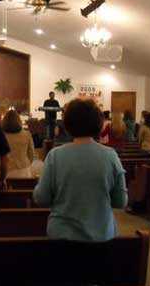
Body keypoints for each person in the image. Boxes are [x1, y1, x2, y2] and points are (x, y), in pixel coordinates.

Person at [33, 99, 127, 242]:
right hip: (102, 238)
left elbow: (41, 199)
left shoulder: (55, 156)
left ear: (68, 124)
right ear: (98, 123)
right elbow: (120, 202)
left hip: (62, 237)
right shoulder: (110, 155)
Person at [2, 109, 35, 178]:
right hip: (23, 171)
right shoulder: (26, 134)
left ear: (4, 121)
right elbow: (31, 154)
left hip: (4, 171)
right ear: (19, 121)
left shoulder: (0, 135)